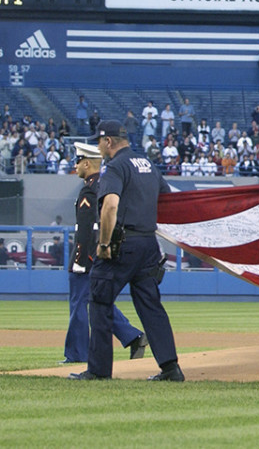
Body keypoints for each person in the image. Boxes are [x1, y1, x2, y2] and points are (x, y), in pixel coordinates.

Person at [70, 120, 183, 382]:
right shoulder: (149, 165)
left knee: (99, 300)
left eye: (99, 141)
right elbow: (167, 201)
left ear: (108, 141)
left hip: (122, 245)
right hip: (148, 245)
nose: (98, 147)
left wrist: (105, 244)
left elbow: (110, 206)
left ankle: (98, 370)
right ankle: (170, 368)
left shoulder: (116, 167)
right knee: (151, 306)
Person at [62, 141, 148, 365]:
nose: (77, 166)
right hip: (96, 255)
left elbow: (90, 229)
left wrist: (83, 260)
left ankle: (77, 354)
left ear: (88, 163)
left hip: (87, 258)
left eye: (79, 161)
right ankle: (132, 336)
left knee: (80, 305)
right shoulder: (105, 184)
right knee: (98, 301)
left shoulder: (90, 189)